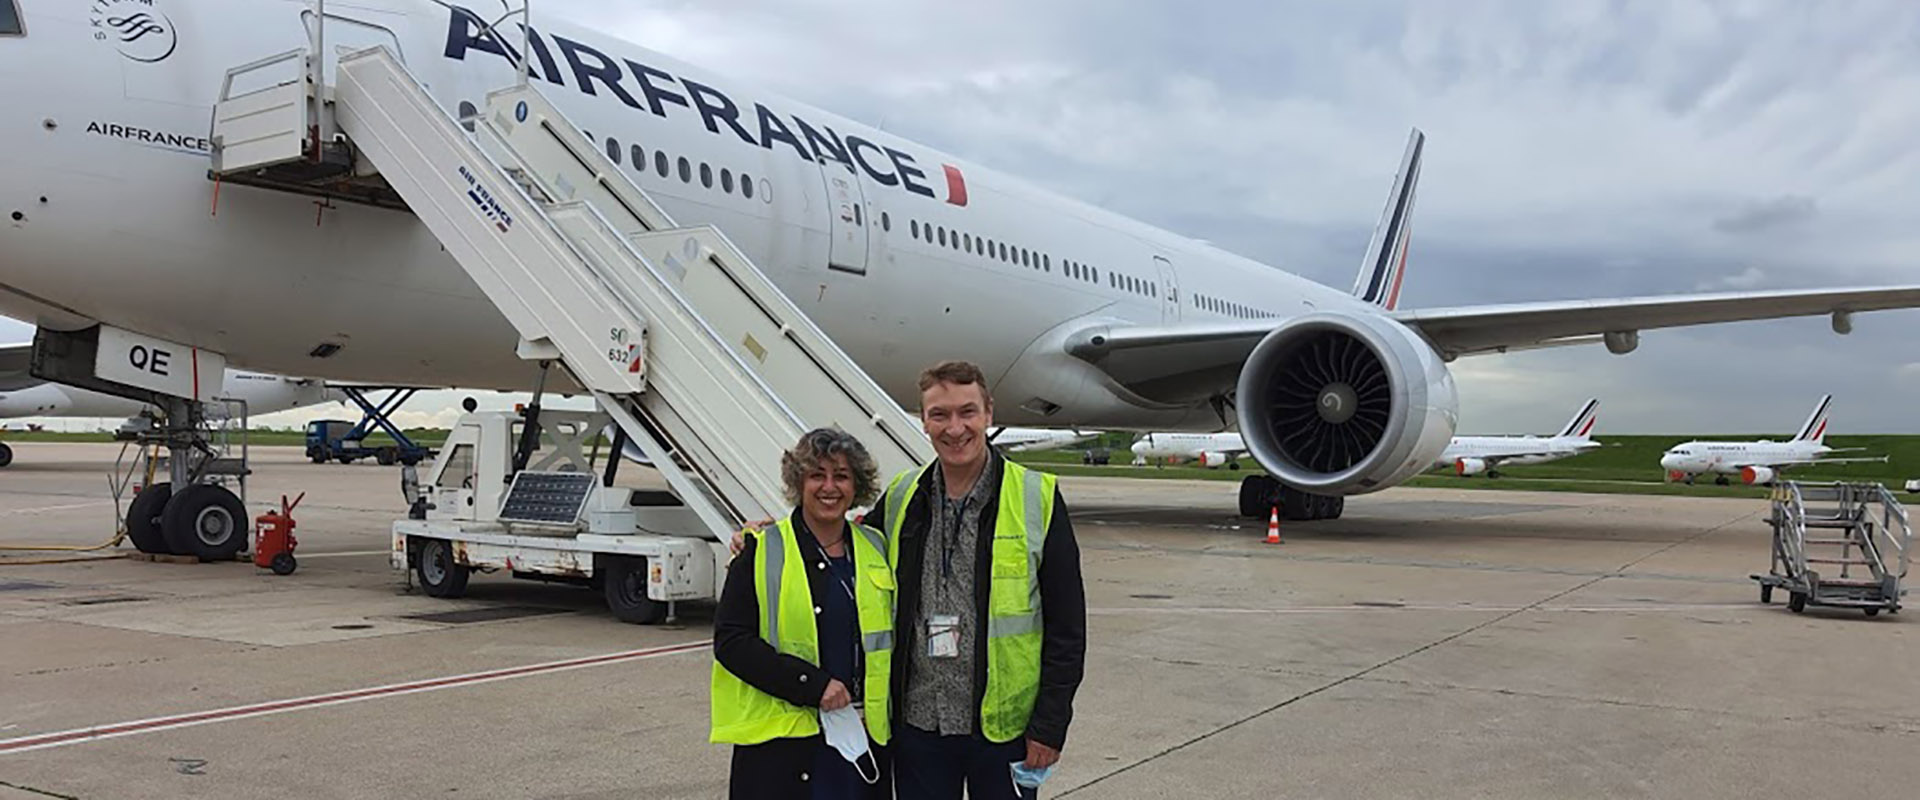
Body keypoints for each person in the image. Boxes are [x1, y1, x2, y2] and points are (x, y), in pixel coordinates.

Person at [868, 360, 1086, 799]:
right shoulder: (900, 497)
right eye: (939, 415)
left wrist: (1050, 724)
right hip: (919, 722)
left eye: (967, 412)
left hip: (1003, 729)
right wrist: (764, 538)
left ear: (989, 413)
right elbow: (837, 543)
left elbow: (1067, 627)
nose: (955, 428)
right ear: (923, 421)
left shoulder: (1035, 497)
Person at [711, 428, 896, 799]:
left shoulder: (876, 546)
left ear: (856, 485)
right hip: (784, 746)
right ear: (799, 482)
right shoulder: (761, 550)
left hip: (860, 738)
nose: (830, 487)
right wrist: (812, 686)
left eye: (841, 476)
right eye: (817, 475)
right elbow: (731, 642)